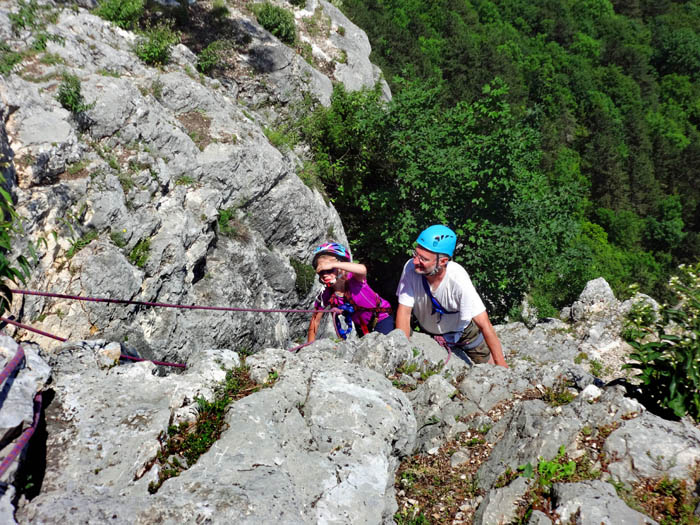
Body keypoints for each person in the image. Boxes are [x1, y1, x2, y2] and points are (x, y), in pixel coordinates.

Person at [395, 225, 508, 367]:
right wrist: (402, 352)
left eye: (423, 258)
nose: (416, 261)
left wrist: (502, 367)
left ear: (442, 262)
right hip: (429, 330)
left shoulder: (458, 280)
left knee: (488, 367)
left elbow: (484, 324)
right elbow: (404, 312)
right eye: (415, 254)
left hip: (464, 333)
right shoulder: (411, 268)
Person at [307, 242, 394, 342]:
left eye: (329, 270)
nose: (325, 274)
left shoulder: (354, 280)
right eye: (321, 272)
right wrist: (309, 346)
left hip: (382, 319)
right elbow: (315, 321)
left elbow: (362, 269)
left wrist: (332, 264)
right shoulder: (326, 294)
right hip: (363, 328)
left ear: (340, 268)